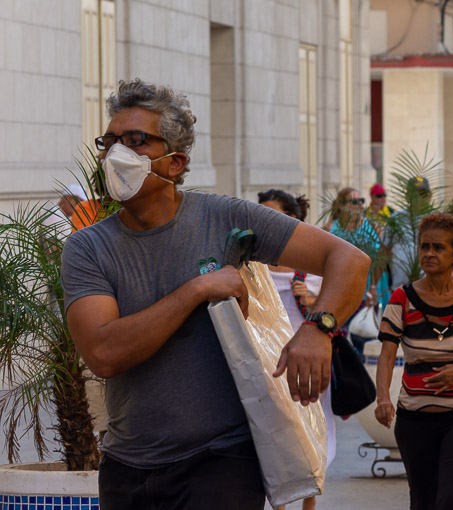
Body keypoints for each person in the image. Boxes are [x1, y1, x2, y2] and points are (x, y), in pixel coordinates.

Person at [61, 79, 370, 509]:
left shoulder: (225, 216)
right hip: (127, 467)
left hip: (221, 462)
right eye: (109, 141)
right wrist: (198, 287)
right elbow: (104, 353)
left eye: (135, 141)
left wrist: (319, 329)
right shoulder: (87, 247)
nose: (116, 154)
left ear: (175, 163)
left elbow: (350, 261)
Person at [375, 213, 453, 510]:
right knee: (422, 500)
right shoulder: (401, 299)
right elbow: (387, 353)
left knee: (451, 497)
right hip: (414, 419)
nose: (429, 253)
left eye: (439, 248)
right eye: (424, 246)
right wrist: (382, 399)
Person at [258, 189, 334, 510]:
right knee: (277, 433)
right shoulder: (255, 263)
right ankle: (279, 506)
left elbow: (332, 314)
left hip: (308, 358)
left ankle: (309, 504)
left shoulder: (311, 266)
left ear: (291, 220)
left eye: (270, 214)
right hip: (270, 360)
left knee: (312, 431)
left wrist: (311, 301)